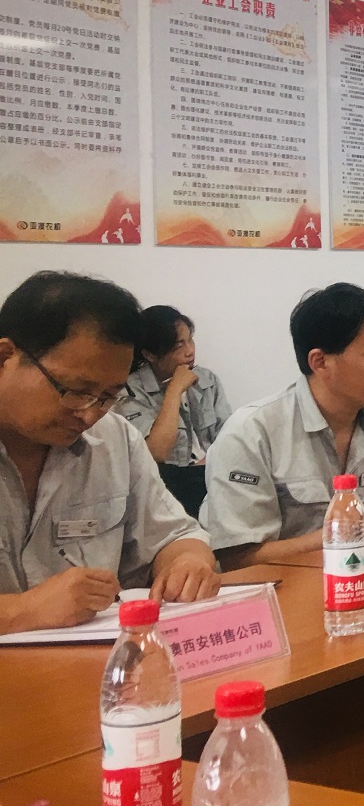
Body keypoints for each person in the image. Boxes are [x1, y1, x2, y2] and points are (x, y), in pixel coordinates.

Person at [0, 272, 220, 636]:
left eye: (107, 397)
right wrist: (21, 611)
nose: (89, 415)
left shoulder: (114, 438)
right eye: (75, 391)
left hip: (98, 663)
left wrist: (189, 560)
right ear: (5, 357)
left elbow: (173, 534)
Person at [202, 283, 364, 568]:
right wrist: (354, 529)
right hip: (289, 589)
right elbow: (237, 559)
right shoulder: (251, 432)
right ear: (320, 362)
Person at [121, 304, 233, 516]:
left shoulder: (207, 379)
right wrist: (175, 390)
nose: (190, 351)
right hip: (168, 486)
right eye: (178, 346)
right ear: (149, 354)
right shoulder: (130, 391)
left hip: (213, 474)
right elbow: (155, 453)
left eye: (190, 340)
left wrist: (211, 462)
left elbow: (229, 437)